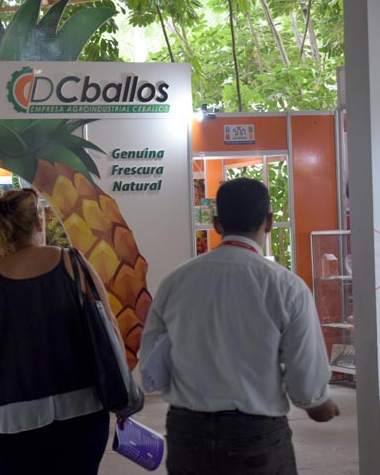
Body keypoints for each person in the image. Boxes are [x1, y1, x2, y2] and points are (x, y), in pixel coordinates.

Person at [139, 177, 339, 475]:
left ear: (217, 224)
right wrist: (317, 402)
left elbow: (152, 360)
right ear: (269, 221)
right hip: (255, 435)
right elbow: (305, 371)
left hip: (187, 432)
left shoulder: (175, 281)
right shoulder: (287, 286)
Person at [0, 188, 122, 475]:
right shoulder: (75, 263)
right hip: (82, 410)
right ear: (39, 222)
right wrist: (122, 395)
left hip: (13, 419)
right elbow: (110, 328)